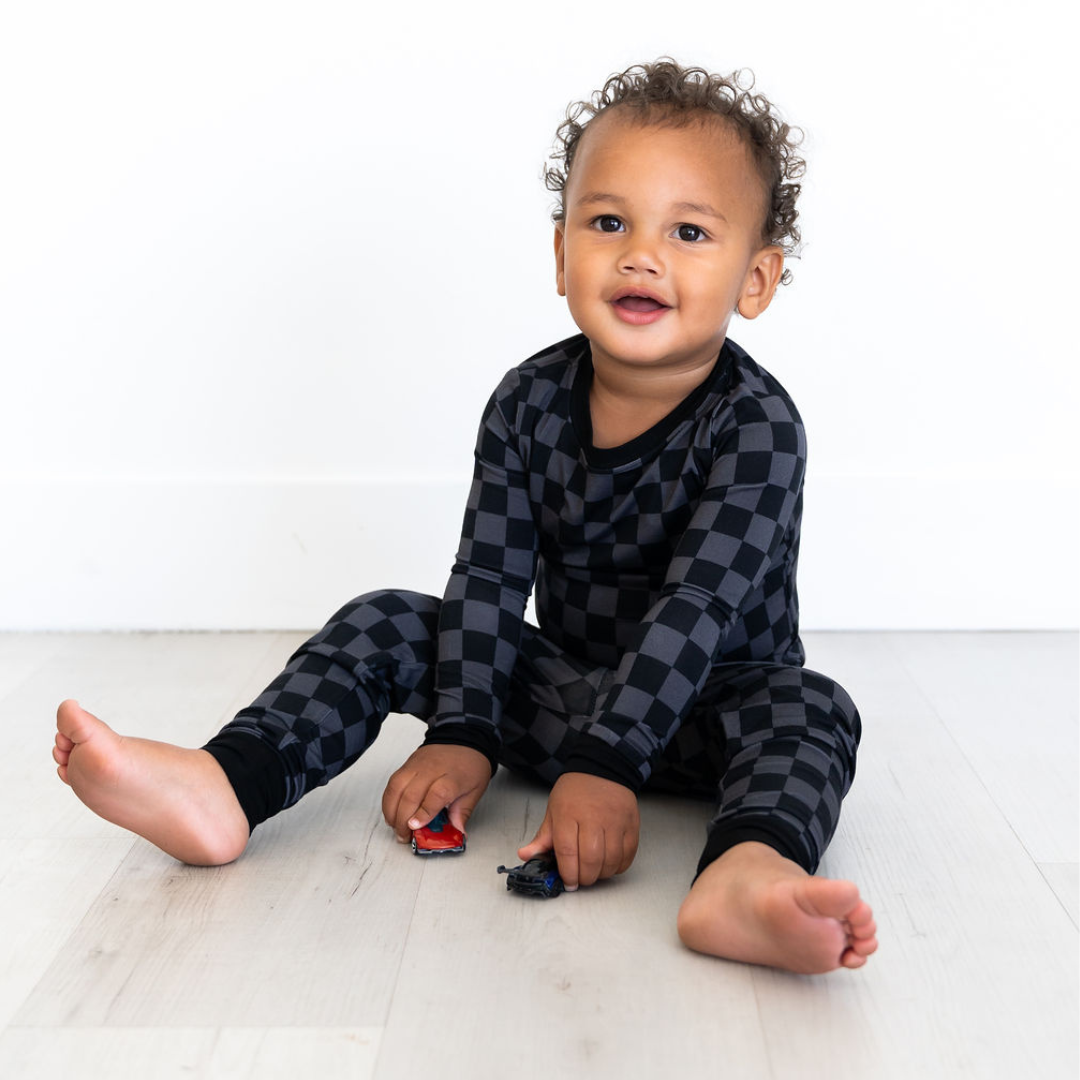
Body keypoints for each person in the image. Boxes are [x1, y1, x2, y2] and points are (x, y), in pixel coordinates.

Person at [52, 59, 878, 975]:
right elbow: (489, 576)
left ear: (756, 280)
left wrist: (604, 766)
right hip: (563, 694)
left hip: (710, 713)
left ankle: (745, 875)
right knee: (386, 619)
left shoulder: (759, 428)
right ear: (561, 255)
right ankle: (225, 786)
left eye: (688, 232)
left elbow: (699, 608)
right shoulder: (527, 401)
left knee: (813, 710)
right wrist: (464, 728)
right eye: (609, 222)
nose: (641, 255)